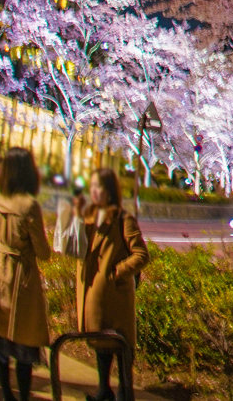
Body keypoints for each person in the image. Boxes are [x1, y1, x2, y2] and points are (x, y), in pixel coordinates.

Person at [0, 147, 52, 401]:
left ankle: (6, 394)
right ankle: (22, 396)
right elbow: (42, 251)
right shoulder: (29, 205)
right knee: (24, 340)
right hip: (21, 276)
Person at [78, 167, 150, 401]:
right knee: (101, 343)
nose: (94, 192)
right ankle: (103, 390)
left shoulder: (123, 219)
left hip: (116, 296)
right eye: (92, 187)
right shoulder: (87, 217)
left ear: (109, 191)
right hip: (95, 294)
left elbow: (141, 254)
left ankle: (123, 393)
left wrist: (117, 272)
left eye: (98, 187)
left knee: (120, 345)